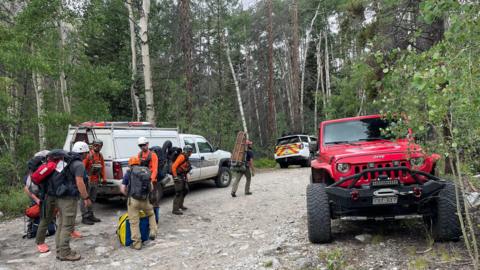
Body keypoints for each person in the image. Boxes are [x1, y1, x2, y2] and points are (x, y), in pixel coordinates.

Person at [52, 142, 92, 261]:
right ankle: (65, 253)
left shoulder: (65, 161)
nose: (87, 154)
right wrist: (86, 197)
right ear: (83, 152)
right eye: (86, 152)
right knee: (68, 226)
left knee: (61, 225)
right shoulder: (79, 164)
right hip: (69, 199)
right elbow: (79, 182)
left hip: (59, 197)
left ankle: (60, 250)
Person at [120, 156, 157, 250]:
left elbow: (122, 188)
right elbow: (151, 187)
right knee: (151, 214)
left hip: (133, 201)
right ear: (138, 163)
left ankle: (137, 244)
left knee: (134, 222)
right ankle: (153, 231)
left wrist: (127, 195)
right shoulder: (145, 171)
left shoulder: (129, 172)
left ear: (130, 164)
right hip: (145, 200)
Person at [81, 139, 106, 225]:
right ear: (93, 145)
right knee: (85, 199)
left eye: (98, 145)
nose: (96, 147)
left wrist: (104, 178)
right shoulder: (88, 155)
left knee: (92, 199)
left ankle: (90, 214)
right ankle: (85, 216)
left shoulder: (100, 156)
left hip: (95, 181)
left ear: (101, 147)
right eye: (95, 145)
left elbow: (102, 168)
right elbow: (82, 168)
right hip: (87, 181)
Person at [171, 145, 193, 215]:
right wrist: (175, 177)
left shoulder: (186, 157)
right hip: (177, 176)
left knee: (185, 190)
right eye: (190, 152)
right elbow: (173, 166)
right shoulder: (182, 157)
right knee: (178, 192)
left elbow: (184, 169)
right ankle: (175, 209)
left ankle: (180, 205)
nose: (191, 153)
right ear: (188, 151)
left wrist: (186, 177)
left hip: (182, 176)